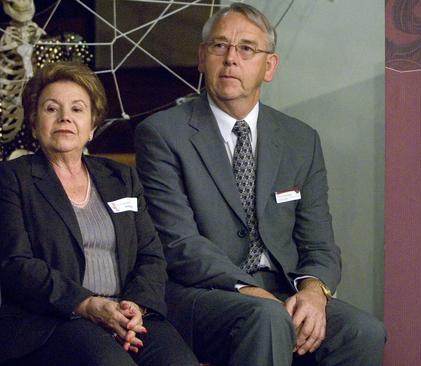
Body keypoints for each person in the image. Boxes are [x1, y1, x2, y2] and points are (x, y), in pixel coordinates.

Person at [134, 2, 386, 366]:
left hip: (283, 289)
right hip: (200, 294)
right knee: (267, 318)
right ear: (203, 58)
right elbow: (179, 244)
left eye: (246, 49)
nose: (231, 59)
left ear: (269, 66)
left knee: (363, 331)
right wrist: (249, 290)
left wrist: (315, 292)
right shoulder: (162, 134)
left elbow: (319, 244)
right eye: (219, 46)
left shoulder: (301, 140)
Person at [0, 62, 199, 366]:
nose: (65, 117)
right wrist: (86, 304)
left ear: (92, 126)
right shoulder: (13, 178)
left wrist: (135, 306)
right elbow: (16, 264)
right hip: (53, 320)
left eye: (77, 109)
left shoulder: (122, 178)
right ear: (34, 121)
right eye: (52, 109)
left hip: (126, 312)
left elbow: (151, 255)